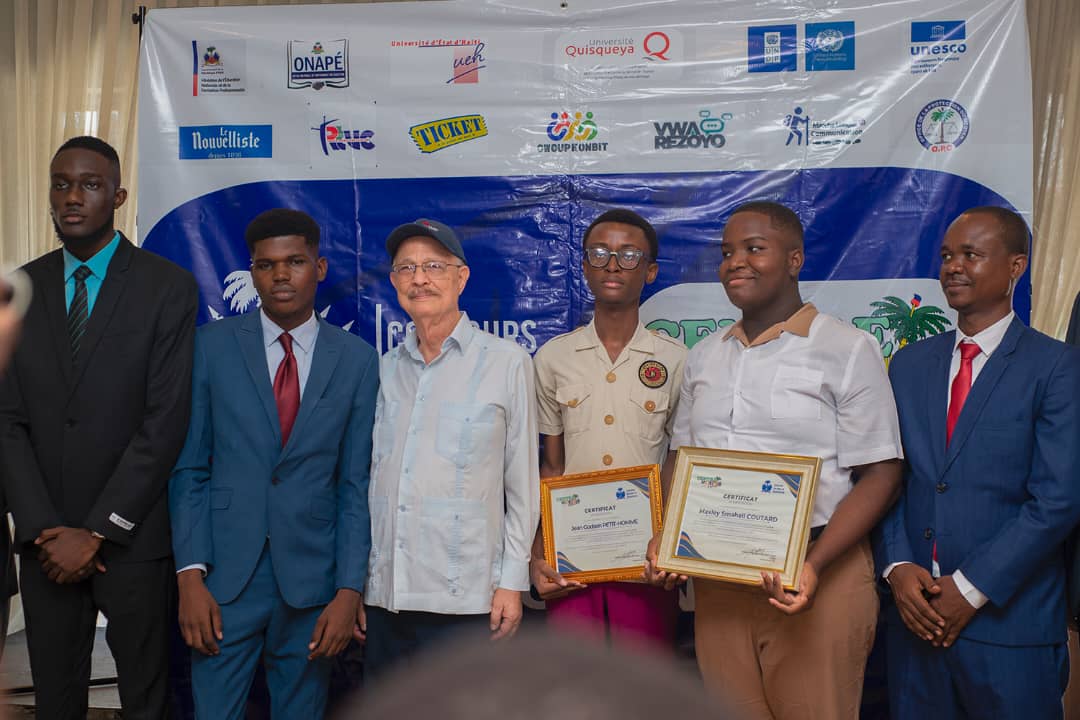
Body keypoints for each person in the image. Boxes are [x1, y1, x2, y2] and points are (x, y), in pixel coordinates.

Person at [645, 200, 904, 719]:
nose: (735, 262)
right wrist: (666, 534)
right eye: (726, 252)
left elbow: (882, 472)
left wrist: (813, 564)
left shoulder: (847, 348)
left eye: (753, 248)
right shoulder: (705, 356)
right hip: (718, 581)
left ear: (794, 259)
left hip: (817, 576)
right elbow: (681, 457)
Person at [0, 135, 197, 718]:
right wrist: (43, 529)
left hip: (130, 539)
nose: (72, 197)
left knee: (143, 699)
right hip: (46, 543)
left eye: (89, 184)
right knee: (55, 700)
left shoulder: (167, 287)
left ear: (118, 195)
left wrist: (99, 530)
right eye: (61, 184)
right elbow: (6, 421)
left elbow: (165, 421)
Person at [169, 209, 378, 719]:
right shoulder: (210, 347)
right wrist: (190, 578)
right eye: (266, 265)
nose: (281, 275)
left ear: (320, 267)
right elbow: (190, 469)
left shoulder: (356, 359)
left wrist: (349, 590)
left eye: (295, 261)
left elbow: (355, 485)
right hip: (223, 581)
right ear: (251, 271)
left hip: (313, 585)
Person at [877, 206, 1080, 719]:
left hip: (1010, 629)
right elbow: (887, 477)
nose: (953, 267)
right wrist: (898, 567)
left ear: (1016, 266)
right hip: (914, 622)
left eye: (971, 254)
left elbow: (1057, 499)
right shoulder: (909, 363)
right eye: (947, 255)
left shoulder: (1057, 366)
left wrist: (969, 590)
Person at [364, 218, 539, 676]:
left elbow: (522, 487)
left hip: (468, 600)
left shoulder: (507, 363)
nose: (419, 279)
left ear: (461, 277)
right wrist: (364, 586)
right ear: (394, 282)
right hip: (387, 599)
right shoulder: (383, 369)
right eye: (406, 268)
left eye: (433, 266)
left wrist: (511, 584)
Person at [530, 208, 686, 647]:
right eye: (599, 254)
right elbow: (552, 466)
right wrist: (539, 551)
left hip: (646, 565)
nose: (613, 265)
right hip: (570, 562)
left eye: (629, 255)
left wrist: (669, 541)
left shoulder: (676, 360)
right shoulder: (553, 358)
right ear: (583, 267)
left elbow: (678, 462)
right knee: (573, 695)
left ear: (650, 270)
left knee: (642, 692)